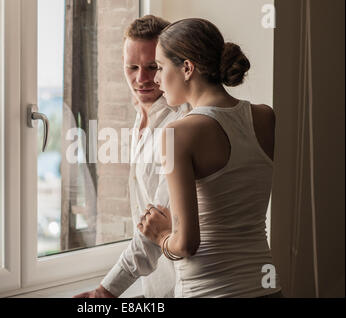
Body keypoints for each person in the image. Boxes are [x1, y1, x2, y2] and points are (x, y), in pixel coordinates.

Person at [137, 18, 284, 298]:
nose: (155, 79)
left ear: (187, 68)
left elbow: (186, 243)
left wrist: (161, 236)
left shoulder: (177, 134)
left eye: (160, 67)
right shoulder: (265, 116)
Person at [73, 15, 191, 298]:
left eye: (152, 67)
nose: (141, 79)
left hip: (183, 288)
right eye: (132, 67)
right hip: (156, 288)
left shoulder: (179, 126)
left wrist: (105, 291)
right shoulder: (139, 119)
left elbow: (158, 225)